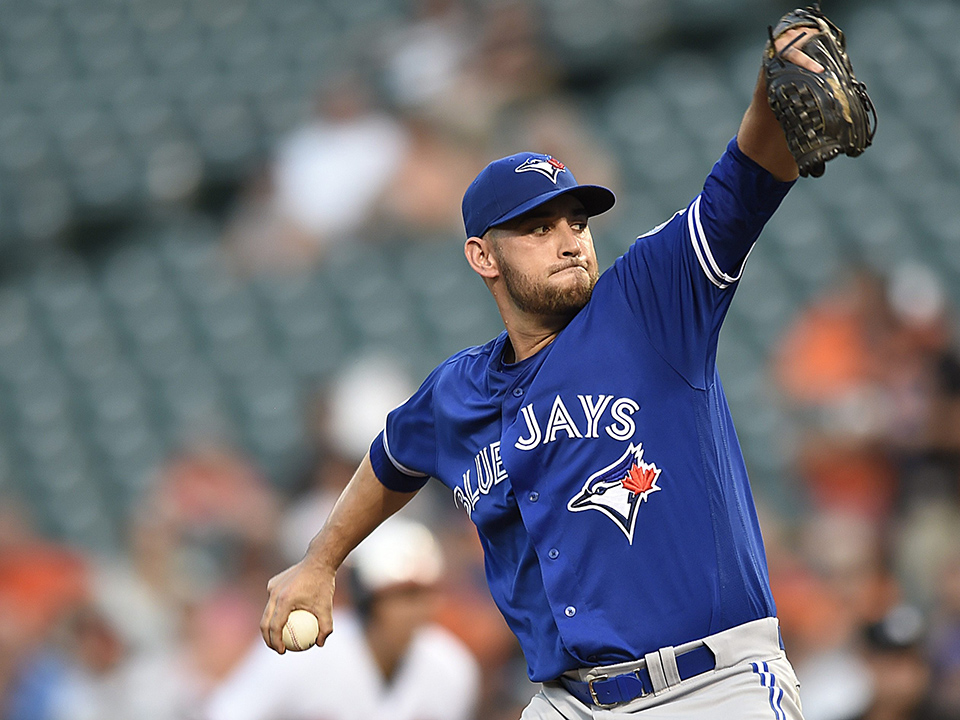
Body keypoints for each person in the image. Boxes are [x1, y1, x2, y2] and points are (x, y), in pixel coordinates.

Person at [260, 19, 834, 719]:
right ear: (483, 256)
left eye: (577, 222)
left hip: (712, 687)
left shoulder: (649, 304)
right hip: (569, 703)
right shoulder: (457, 393)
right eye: (538, 228)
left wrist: (767, 94)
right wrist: (321, 560)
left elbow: (744, 182)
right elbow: (393, 459)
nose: (568, 241)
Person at [209, 519, 478, 720]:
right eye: (403, 596)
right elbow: (227, 712)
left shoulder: (453, 667)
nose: (418, 608)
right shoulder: (306, 653)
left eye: (425, 594)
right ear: (367, 599)